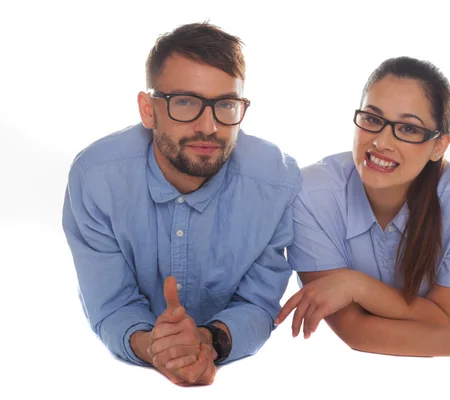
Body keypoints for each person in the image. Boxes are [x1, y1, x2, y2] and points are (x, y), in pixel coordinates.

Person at [275, 56, 450, 372]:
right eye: (372, 119)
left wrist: (355, 285)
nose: (381, 142)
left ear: (439, 146)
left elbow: (444, 318)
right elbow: (354, 330)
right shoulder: (311, 193)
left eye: (408, 128)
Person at [62, 22, 301, 386]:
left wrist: (209, 342)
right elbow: (111, 305)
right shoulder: (96, 179)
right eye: (185, 102)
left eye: (225, 104)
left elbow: (258, 303)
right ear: (148, 109)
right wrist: (155, 348)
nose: (208, 126)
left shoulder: (276, 183)